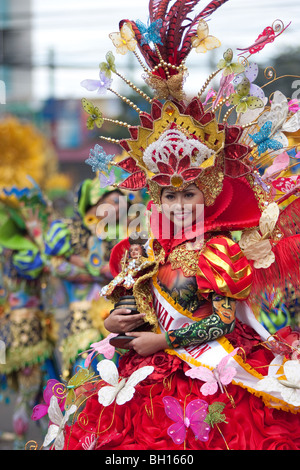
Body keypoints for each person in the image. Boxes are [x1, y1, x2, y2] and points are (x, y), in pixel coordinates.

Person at [36, 0, 300, 451]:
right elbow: (136, 306)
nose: (179, 205)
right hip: (146, 367)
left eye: (188, 193)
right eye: (170, 196)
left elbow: (219, 321)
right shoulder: (147, 245)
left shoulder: (219, 250)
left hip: (206, 371)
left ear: (210, 192)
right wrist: (119, 321)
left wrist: (163, 339)